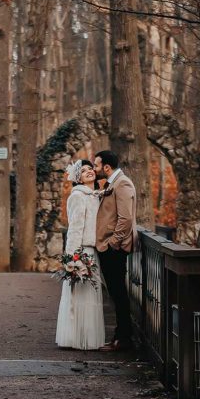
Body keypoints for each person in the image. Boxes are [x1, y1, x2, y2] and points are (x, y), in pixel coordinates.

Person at [55, 160, 106, 350]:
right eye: (83, 171)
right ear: (78, 178)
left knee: (91, 297)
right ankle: (76, 338)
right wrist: (72, 258)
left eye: (90, 168)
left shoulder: (95, 195)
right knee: (80, 296)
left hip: (93, 251)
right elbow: (75, 229)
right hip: (82, 252)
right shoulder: (77, 196)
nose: (89, 171)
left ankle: (88, 337)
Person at [93, 150, 136, 352]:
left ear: (106, 167)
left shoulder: (122, 183)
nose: (95, 169)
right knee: (116, 293)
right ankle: (120, 336)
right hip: (109, 247)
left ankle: (124, 338)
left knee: (118, 294)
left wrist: (113, 243)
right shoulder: (112, 183)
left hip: (114, 249)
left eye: (96, 165)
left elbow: (125, 219)